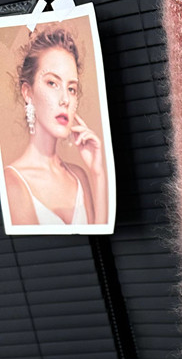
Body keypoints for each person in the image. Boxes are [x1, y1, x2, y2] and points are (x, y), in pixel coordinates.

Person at [4, 26, 106, 227]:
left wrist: (98, 174)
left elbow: (98, 237)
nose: (65, 99)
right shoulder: (11, 182)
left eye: (71, 89)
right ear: (28, 92)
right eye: (52, 83)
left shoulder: (79, 176)